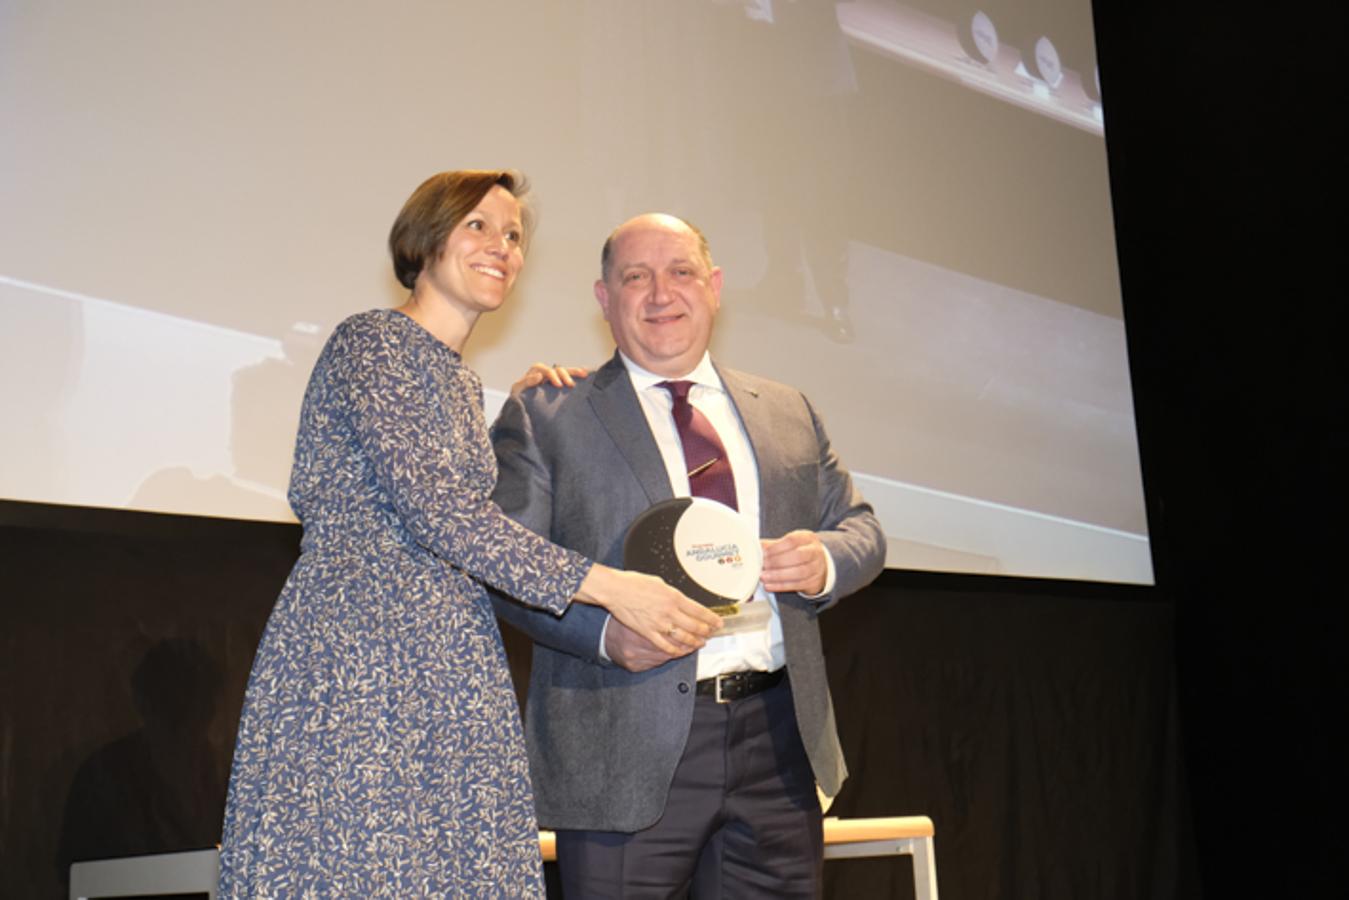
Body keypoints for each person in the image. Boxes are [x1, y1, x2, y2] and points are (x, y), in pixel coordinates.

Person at [217, 173, 720, 899]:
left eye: (513, 236)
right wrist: (609, 586)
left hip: (450, 657)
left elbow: (438, 497)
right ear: (426, 238)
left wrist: (512, 409)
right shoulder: (374, 342)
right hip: (364, 654)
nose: (503, 248)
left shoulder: (455, 381)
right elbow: (434, 509)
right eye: (479, 226)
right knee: (359, 867)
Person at [492, 213, 886, 897]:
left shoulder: (787, 410)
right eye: (634, 277)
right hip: (623, 747)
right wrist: (606, 635)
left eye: (680, 272)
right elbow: (506, 569)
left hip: (779, 745)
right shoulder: (549, 414)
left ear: (715, 287)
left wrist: (823, 560)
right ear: (603, 298)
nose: (659, 293)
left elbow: (861, 530)